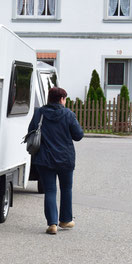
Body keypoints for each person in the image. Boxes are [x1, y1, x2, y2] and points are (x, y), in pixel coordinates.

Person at [28, 87, 84, 235]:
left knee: (50, 191)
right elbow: (78, 135)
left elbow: (31, 131)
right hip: (65, 159)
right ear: (61, 99)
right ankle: (65, 220)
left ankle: (52, 223)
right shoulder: (68, 114)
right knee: (66, 189)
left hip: (44, 159)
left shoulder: (39, 113)